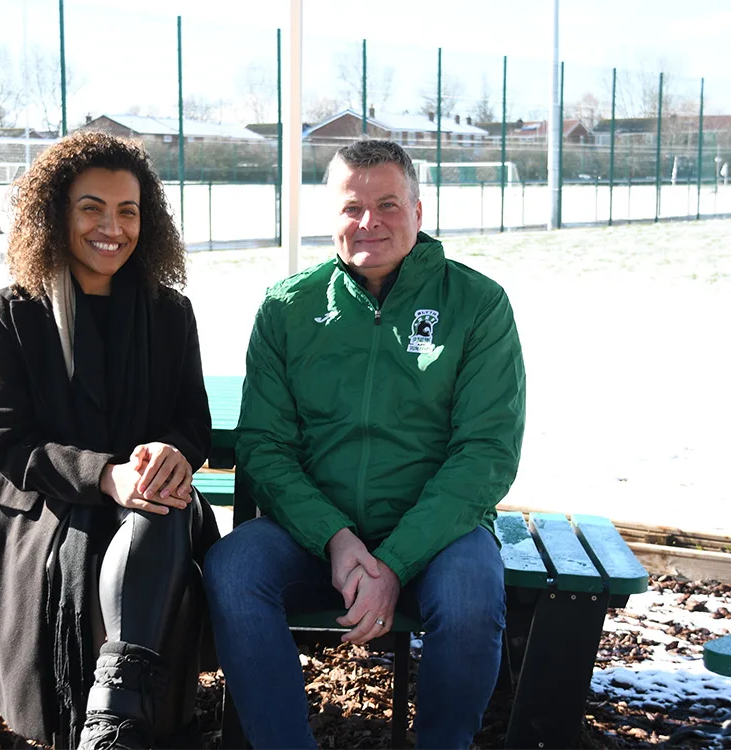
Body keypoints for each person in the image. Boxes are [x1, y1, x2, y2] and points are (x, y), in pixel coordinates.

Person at [203, 139, 525, 749]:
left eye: (388, 205)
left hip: (437, 535)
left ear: (419, 212)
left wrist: (396, 561)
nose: (369, 222)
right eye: (352, 208)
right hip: (314, 533)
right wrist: (335, 537)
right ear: (332, 217)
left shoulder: (478, 305)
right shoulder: (287, 308)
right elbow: (265, 445)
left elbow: (486, 453)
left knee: (468, 599)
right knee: (232, 568)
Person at [0, 130, 220, 750]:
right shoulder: (13, 312)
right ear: (56, 214)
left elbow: (193, 421)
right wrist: (105, 475)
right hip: (43, 507)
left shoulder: (170, 313)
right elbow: (12, 444)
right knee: (136, 514)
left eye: (128, 210)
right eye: (91, 207)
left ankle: (110, 722)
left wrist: (173, 453)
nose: (113, 226)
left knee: (159, 507)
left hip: (150, 505)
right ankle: (118, 720)